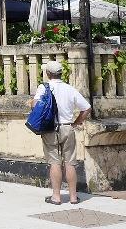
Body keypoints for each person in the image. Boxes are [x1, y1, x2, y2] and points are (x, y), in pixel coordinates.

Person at [31, 60, 91, 205]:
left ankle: (56, 197)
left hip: (50, 128)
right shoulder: (69, 89)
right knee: (70, 163)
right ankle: (73, 197)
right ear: (60, 73)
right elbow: (87, 108)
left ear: (48, 74)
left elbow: (35, 105)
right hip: (67, 127)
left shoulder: (44, 87)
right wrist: (76, 123)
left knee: (55, 163)